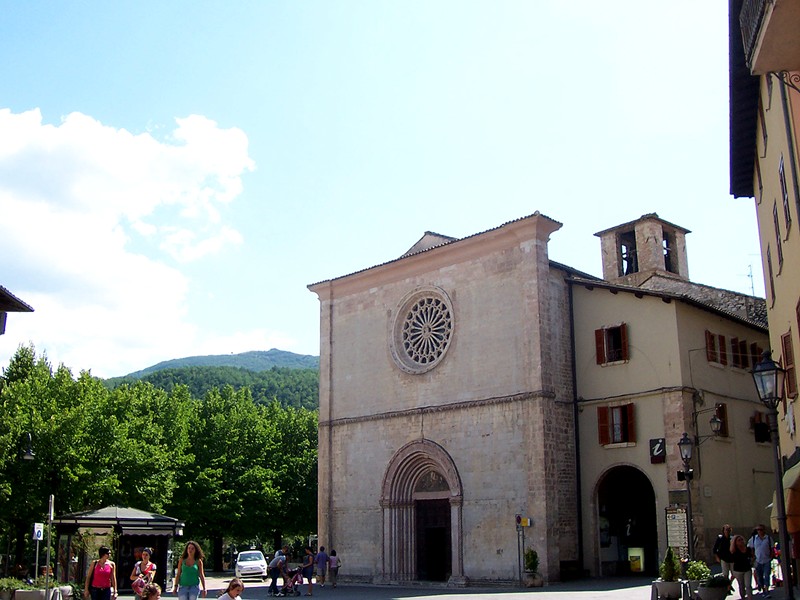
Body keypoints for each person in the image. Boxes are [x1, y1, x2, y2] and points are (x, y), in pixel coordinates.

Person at [748, 524, 774, 594]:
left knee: (767, 574)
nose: (759, 531)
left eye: (761, 529)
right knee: (759, 576)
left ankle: (766, 588)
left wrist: (771, 556)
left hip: (767, 560)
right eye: (758, 530)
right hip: (758, 560)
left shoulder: (768, 538)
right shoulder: (754, 539)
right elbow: (751, 548)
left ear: (764, 530)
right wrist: (753, 556)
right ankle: (762, 586)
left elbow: (772, 548)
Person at [731, 535, 754, 600]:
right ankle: (743, 597)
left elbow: (752, 557)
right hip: (738, 571)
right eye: (739, 540)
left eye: (742, 540)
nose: (741, 541)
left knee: (748, 585)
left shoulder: (748, 549)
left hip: (747, 569)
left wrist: (752, 561)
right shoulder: (734, 550)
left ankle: (750, 598)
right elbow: (731, 554)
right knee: (741, 586)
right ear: (735, 542)